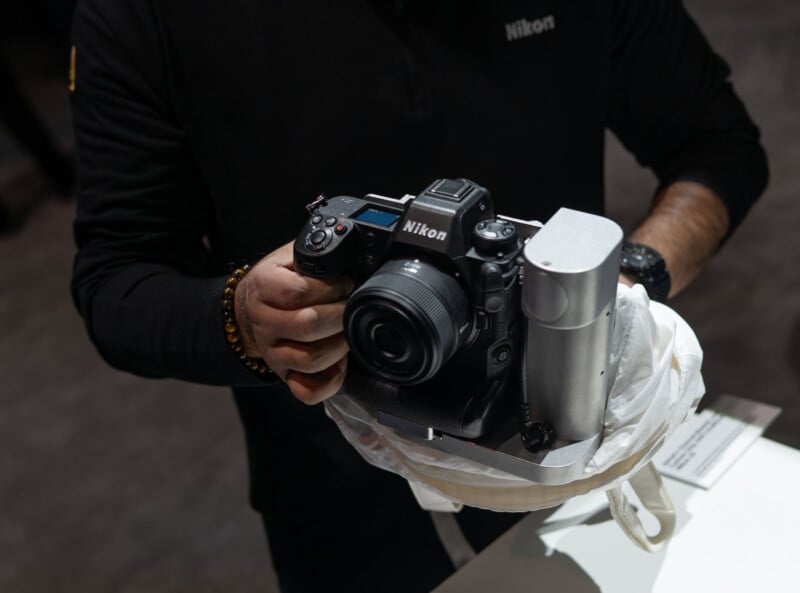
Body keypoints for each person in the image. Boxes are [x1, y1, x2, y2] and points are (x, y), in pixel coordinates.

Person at [69, 1, 768, 591]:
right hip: (337, 475)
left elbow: (718, 143)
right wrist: (245, 318)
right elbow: (117, 279)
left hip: (575, 432)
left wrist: (620, 289)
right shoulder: (149, 15)